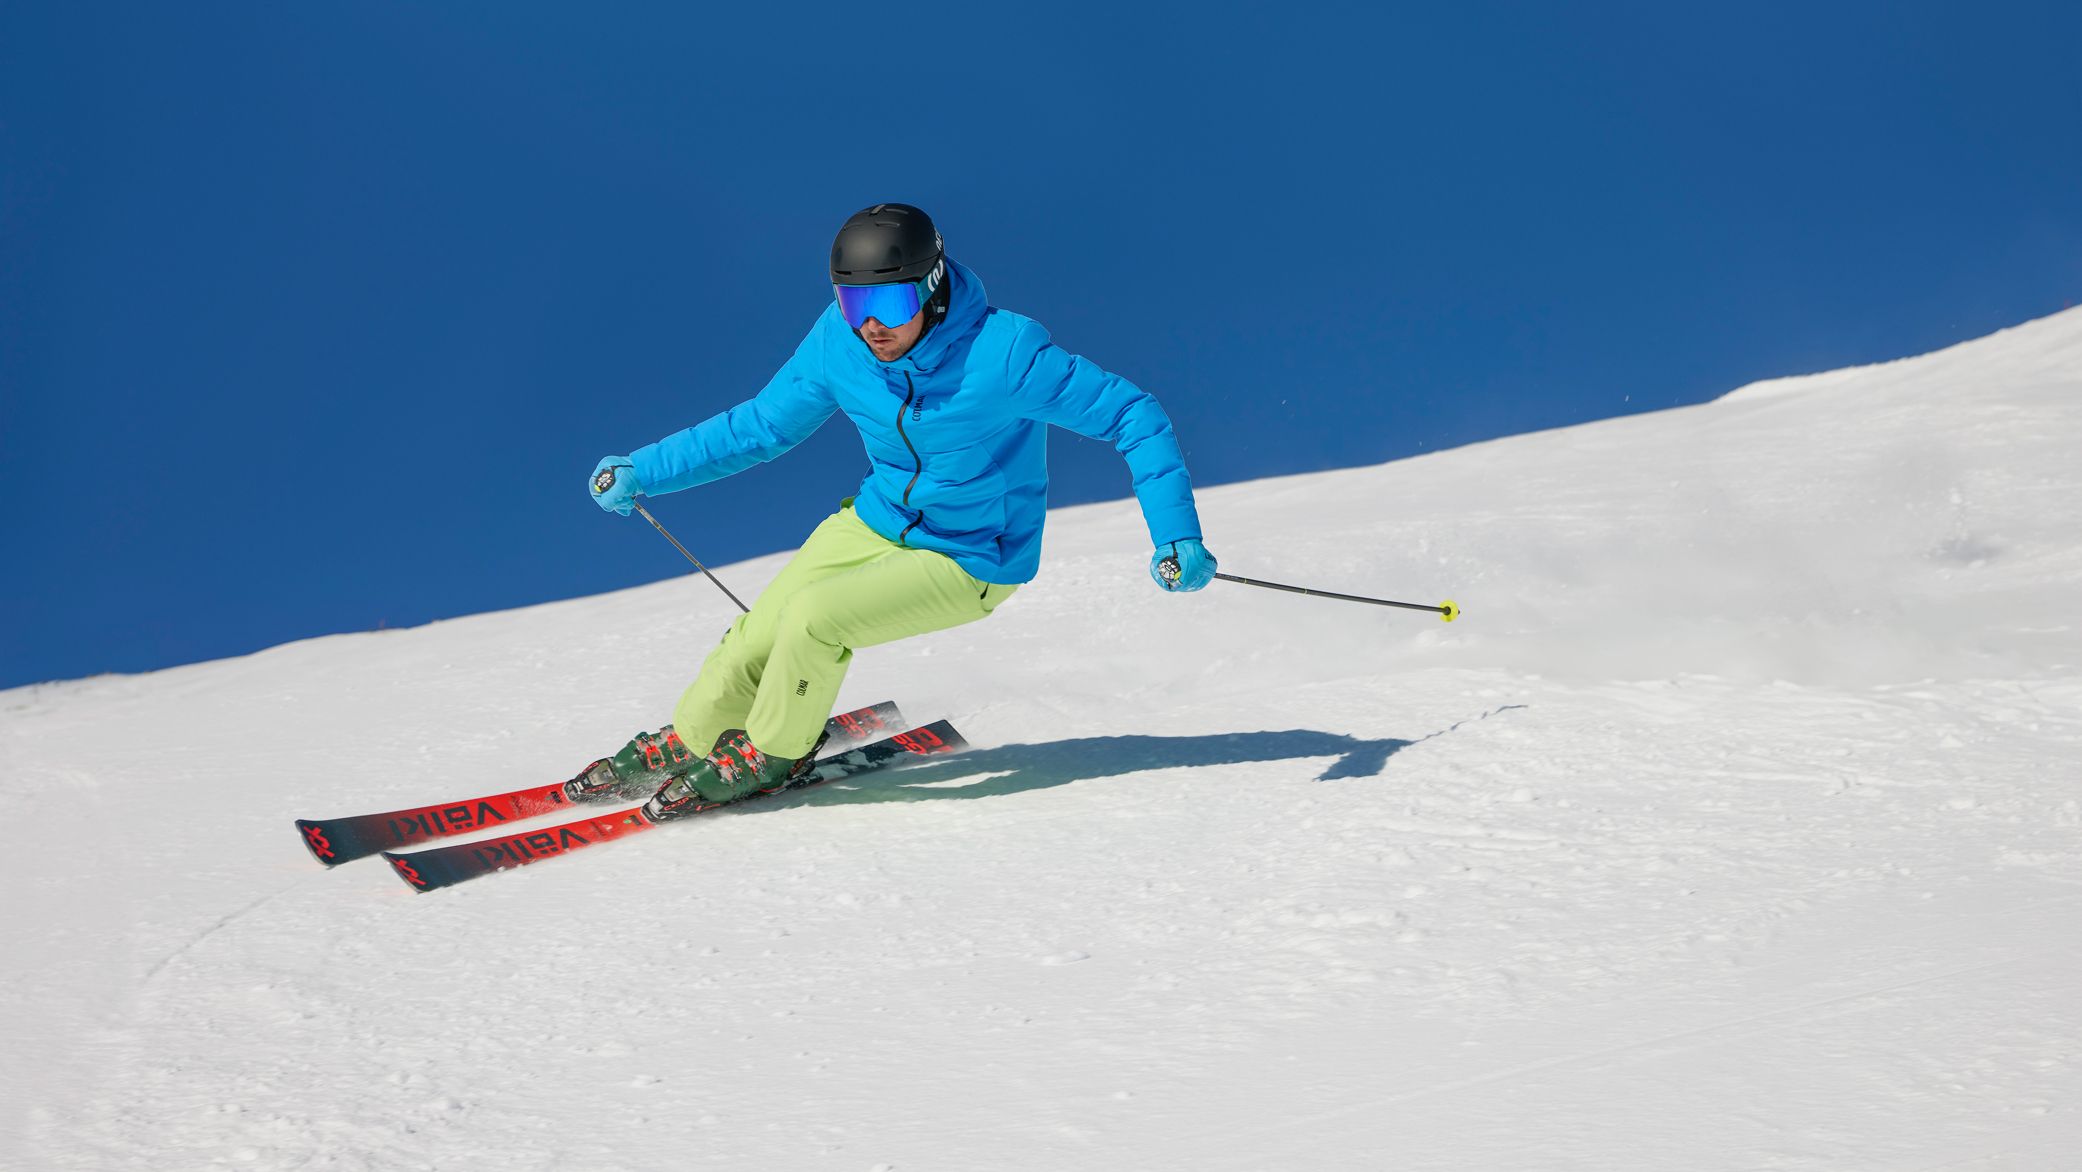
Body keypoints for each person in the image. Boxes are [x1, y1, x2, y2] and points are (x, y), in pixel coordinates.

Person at [582, 203, 1217, 818]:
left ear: (933, 288)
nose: (871, 326)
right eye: (854, 303)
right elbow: (761, 426)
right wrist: (647, 470)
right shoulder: (841, 344)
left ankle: (775, 752)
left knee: (813, 620)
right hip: (875, 522)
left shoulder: (1004, 355)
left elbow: (1133, 415)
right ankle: (695, 736)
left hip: (972, 556)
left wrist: (1175, 534)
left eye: (889, 303)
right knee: (754, 637)